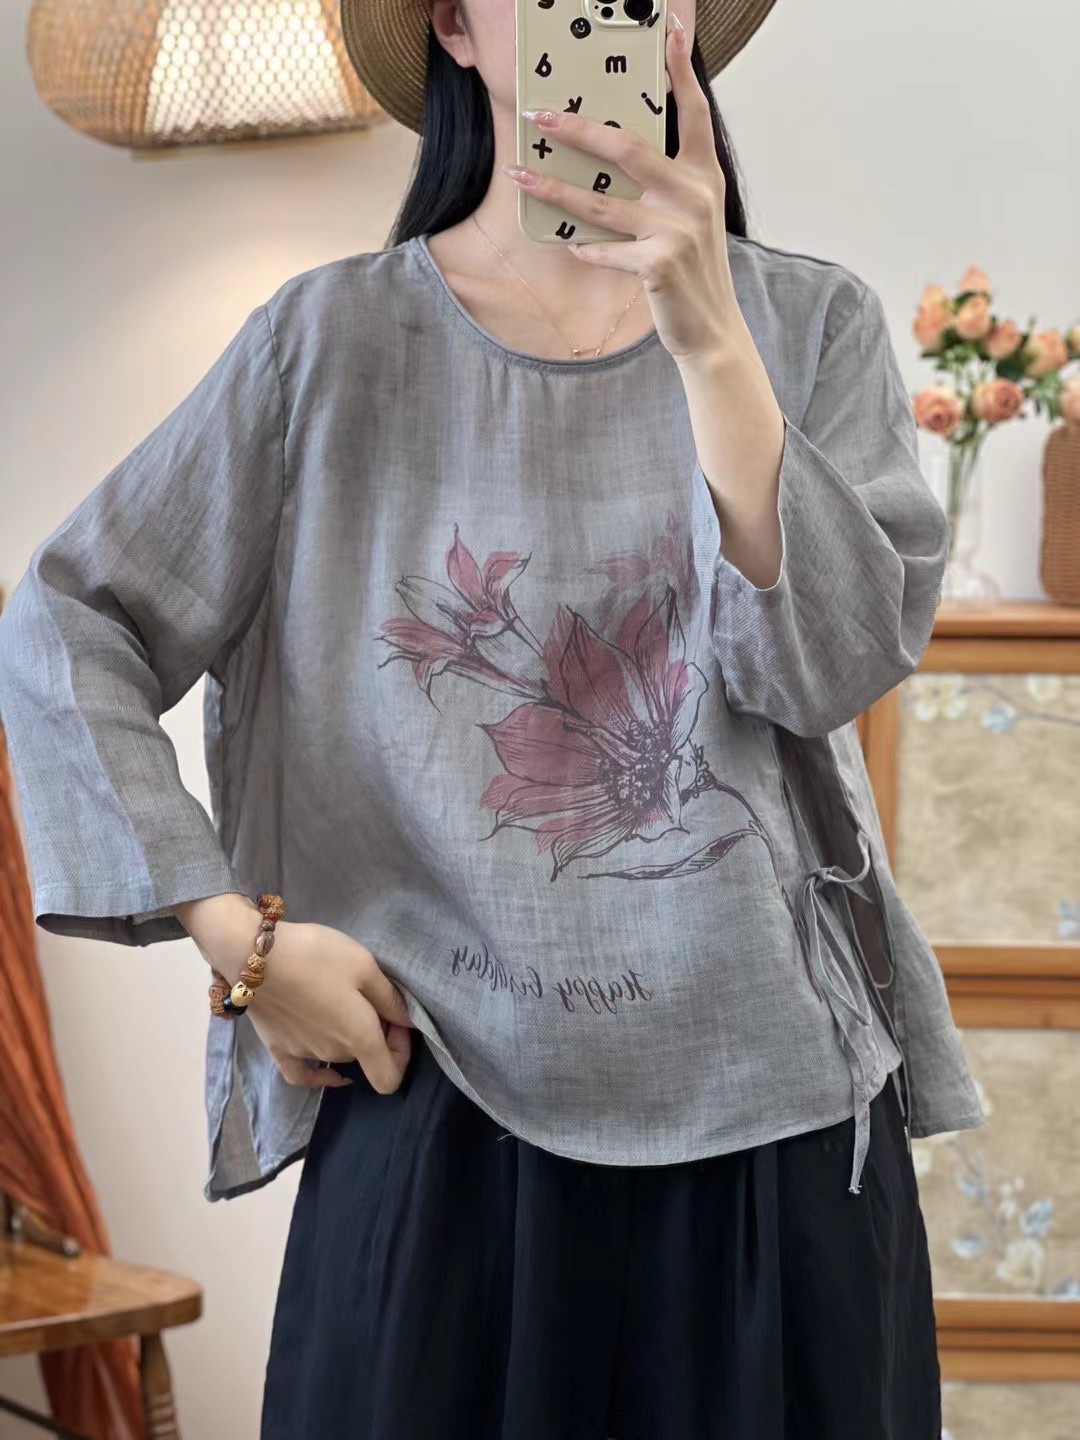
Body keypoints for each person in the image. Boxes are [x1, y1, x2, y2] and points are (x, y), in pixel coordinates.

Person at [0, 0, 986, 1435]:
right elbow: (66, 623)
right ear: (456, 25)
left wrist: (712, 337)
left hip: (776, 1134)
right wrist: (236, 938)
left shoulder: (811, 326)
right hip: (439, 1114)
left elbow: (823, 670)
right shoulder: (326, 345)